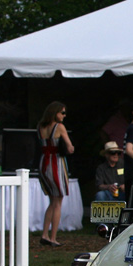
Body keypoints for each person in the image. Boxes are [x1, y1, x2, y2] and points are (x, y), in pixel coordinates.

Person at [37, 101, 75, 247]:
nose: (64, 116)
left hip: (43, 162)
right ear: (56, 113)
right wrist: (69, 148)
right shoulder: (59, 127)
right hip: (56, 163)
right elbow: (70, 147)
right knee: (58, 201)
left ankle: (45, 234)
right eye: (63, 113)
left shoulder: (40, 127)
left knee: (52, 201)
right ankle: (53, 237)